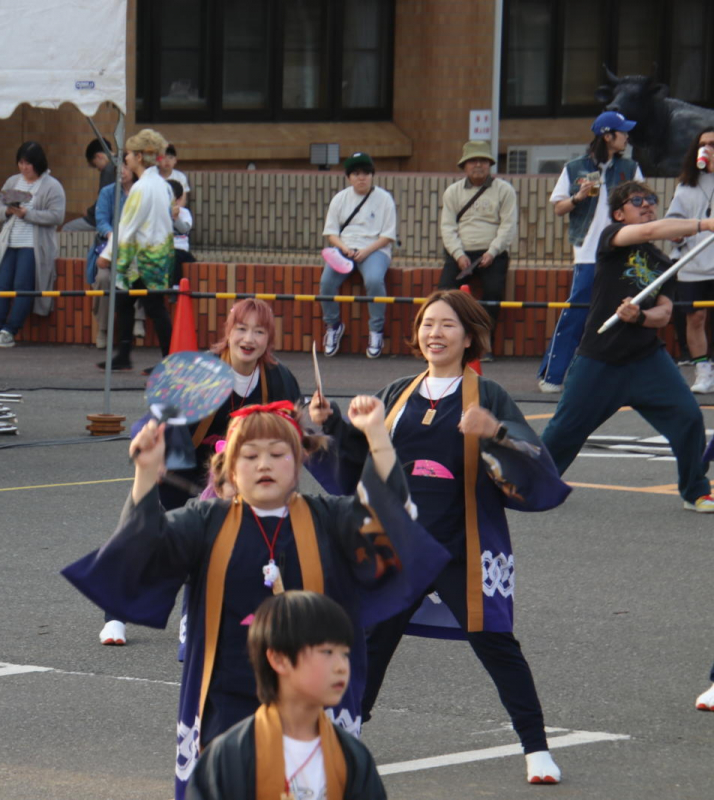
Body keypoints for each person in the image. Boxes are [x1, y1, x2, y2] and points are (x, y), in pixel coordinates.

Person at [63, 401, 448, 799]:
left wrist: (377, 437)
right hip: (224, 695)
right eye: (250, 455)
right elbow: (144, 548)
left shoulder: (329, 518)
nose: (264, 464)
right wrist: (145, 473)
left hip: (311, 697)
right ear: (229, 468)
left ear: (298, 463)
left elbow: (391, 522)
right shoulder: (204, 520)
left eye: (278, 454)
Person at [313, 289, 570, 785]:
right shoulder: (396, 392)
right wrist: (331, 427)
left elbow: (534, 466)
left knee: (495, 643)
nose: (435, 333)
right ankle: (344, 741)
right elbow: (361, 464)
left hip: (463, 543)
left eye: (448, 325)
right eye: (428, 324)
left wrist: (494, 431)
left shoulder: (487, 395)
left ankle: (536, 748)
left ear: (469, 336)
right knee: (370, 640)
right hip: (396, 543)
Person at [99, 299, 304, 647]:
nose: (249, 338)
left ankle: (197, 620)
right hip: (184, 465)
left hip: (237, 477)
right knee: (144, 534)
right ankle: (115, 614)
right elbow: (154, 419)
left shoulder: (279, 378)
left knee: (228, 547)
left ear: (270, 338)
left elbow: (292, 430)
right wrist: (148, 446)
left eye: (259, 330)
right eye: (241, 328)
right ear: (228, 332)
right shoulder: (201, 372)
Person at [541, 180, 714, 512]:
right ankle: (529, 484)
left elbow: (664, 314)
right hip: (599, 358)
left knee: (689, 417)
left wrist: (640, 316)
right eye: (637, 201)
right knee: (563, 431)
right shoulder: (612, 239)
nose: (647, 204)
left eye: (651, 199)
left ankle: (695, 491)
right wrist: (705, 224)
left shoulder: (664, 262)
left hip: (646, 359)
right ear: (619, 213)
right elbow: (650, 232)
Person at [186, 591, 387, 800]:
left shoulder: (353, 758)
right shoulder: (229, 756)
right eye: (327, 652)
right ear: (279, 659)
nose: (341, 667)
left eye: (345, 654)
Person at [539, 111, 643, 393]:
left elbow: (643, 205)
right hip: (587, 251)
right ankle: (552, 375)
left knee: (622, 310)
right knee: (576, 313)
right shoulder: (575, 167)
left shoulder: (630, 167)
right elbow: (559, 207)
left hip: (622, 249)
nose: (627, 136)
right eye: (622, 132)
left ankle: (617, 377)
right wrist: (578, 196)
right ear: (608, 136)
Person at [94, 129, 175, 373]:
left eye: (128, 154)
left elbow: (126, 226)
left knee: (152, 308)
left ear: (139, 157)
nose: (125, 158)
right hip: (159, 255)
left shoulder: (141, 189)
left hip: (141, 258)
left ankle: (163, 361)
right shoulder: (162, 185)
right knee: (129, 303)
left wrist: (107, 255)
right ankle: (126, 355)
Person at [0, 141, 65, 348]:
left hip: (33, 245)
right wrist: (8, 211)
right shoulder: (13, 181)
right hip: (9, 241)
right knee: (1, 285)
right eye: (21, 163)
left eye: (28, 164)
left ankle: (10, 330)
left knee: (22, 286)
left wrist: (29, 214)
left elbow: (57, 216)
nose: (24, 168)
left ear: (39, 164)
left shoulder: (51, 185)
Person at [438, 140, 518, 358]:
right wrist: (458, 254)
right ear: (464, 166)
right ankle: (447, 343)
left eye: (483, 160)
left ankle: (484, 345)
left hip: (492, 253)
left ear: (490, 164)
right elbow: (447, 226)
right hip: (460, 253)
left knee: (492, 294)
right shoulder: (452, 192)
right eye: (473, 161)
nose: (478, 165)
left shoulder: (505, 190)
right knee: (444, 294)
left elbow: (508, 225)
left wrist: (492, 251)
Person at [320, 152, 398, 359]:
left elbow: (388, 235)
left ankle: (376, 330)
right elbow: (331, 234)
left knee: (373, 280)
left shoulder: (384, 199)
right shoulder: (340, 198)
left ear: (372, 175)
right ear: (348, 177)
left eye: (365, 173)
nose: (361, 177)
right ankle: (334, 325)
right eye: (356, 173)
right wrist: (345, 249)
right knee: (326, 283)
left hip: (375, 250)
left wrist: (367, 250)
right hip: (344, 249)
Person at [665, 128, 714, 393]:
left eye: (712, 144)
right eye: (702, 144)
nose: (707, 149)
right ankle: (703, 371)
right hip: (692, 264)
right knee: (694, 318)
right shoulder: (685, 186)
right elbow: (673, 222)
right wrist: (676, 236)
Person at [87, 158, 133, 349]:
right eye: (118, 168)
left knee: (135, 276)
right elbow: (101, 220)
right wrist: (111, 233)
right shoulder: (107, 192)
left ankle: (138, 320)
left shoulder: (141, 191)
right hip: (110, 247)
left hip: (133, 250)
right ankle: (103, 330)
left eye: (126, 167)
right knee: (103, 279)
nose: (121, 171)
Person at [63, 137, 118, 233]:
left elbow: (103, 200)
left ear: (99, 156)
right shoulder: (122, 164)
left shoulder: (108, 170)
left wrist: (90, 212)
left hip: (105, 219)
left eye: (95, 165)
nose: (98, 169)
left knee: (67, 228)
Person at [168, 178, 196, 287]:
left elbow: (184, 229)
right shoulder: (160, 213)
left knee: (187, 261)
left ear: (178, 199)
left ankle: (178, 286)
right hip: (166, 249)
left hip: (181, 249)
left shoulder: (185, 213)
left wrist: (175, 218)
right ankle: (174, 286)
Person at [159, 143, 190, 208]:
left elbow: (183, 200)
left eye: (170, 158)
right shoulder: (153, 175)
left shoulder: (180, 177)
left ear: (175, 160)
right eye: (163, 157)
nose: (167, 161)